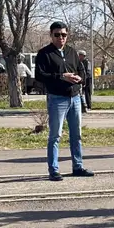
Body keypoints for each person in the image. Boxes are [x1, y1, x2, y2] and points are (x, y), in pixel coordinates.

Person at [35, 21, 94, 181]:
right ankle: (53, 170)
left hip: (74, 98)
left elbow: (81, 69)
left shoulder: (72, 52)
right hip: (57, 99)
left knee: (76, 134)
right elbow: (40, 76)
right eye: (57, 35)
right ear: (51, 35)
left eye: (64, 35)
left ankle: (78, 166)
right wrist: (60, 77)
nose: (61, 38)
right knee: (55, 135)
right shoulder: (45, 54)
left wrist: (80, 78)